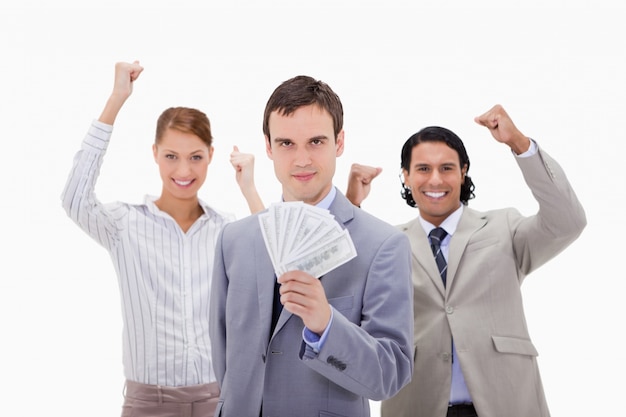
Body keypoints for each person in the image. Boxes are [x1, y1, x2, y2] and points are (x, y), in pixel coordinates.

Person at [346, 104, 587, 417]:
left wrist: (520, 144)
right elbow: (342, 280)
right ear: (405, 176)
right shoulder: (387, 242)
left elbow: (567, 221)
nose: (435, 180)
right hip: (417, 403)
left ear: (463, 172)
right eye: (422, 169)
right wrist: (351, 206)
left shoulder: (504, 227)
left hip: (506, 403)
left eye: (446, 168)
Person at [61, 61, 264, 417]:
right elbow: (75, 198)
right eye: (171, 156)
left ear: (211, 157)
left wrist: (249, 188)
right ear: (154, 154)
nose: (183, 171)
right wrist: (116, 99)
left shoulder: (226, 230)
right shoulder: (123, 224)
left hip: (218, 400)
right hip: (147, 404)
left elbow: (274, 260)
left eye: (195, 158)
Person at [208, 75, 414, 416]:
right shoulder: (234, 240)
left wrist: (326, 323)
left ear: (340, 142)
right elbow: (223, 353)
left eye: (316, 141)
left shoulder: (383, 245)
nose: (301, 159)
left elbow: (389, 374)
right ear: (269, 147)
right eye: (287, 143)